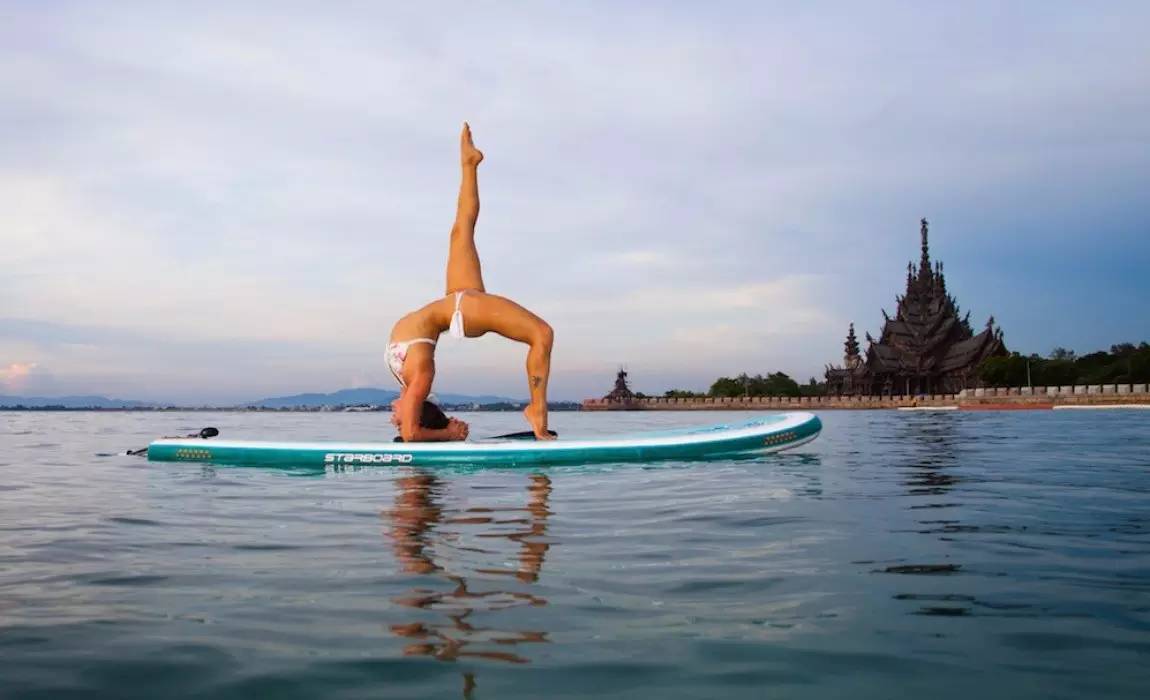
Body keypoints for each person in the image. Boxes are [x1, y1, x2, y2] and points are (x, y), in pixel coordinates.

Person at [388, 123, 555, 442]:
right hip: (458, 307)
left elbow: (409, 431)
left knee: (461, 229)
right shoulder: (420, 377)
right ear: (417, 406)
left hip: (453, 306)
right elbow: (410, 435)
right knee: (541, 334)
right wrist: (449, 434)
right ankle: (538, 411)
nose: (390, 415)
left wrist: (437, 430)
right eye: (397, 415)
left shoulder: (412, 375)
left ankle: (469, 165)